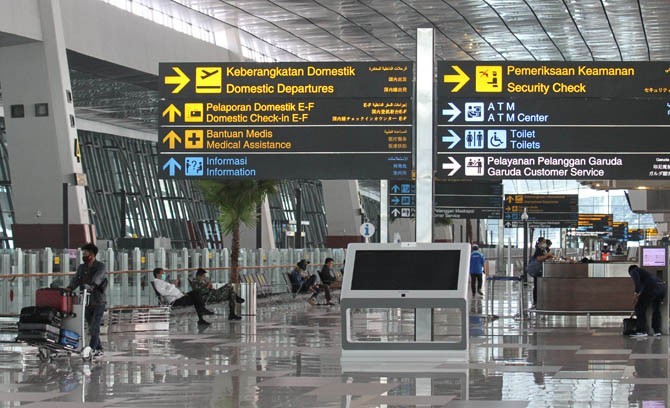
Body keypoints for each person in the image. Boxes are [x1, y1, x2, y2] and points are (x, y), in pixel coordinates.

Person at [67, 243, 107, 357]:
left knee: (95, 326)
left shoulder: (100, 266)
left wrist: (91, 286)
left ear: (92, 254)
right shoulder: (82, 267)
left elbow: (98, 278)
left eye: (85, 253)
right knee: (91, 326)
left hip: (98, 301)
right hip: (86, 301)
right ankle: (99, 348)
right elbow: (77, 279)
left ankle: (92, 349)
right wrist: (69, 288)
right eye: (83, 253)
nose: (83, 256)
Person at [628, 264, 666, 337]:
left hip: (651, 288)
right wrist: (639, 295)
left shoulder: (634, 271)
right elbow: (643, 287)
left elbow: (637, 283)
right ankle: (657, 331)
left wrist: (635, 294)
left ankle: (641, 331)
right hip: (661, 289)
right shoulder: (647, 274)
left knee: (639, 308)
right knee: (656, 309)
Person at [530, 237, 553, 308]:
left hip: (541, 269)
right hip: (537, 270)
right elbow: (538, 258)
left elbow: (544, 257)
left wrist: (548, 256)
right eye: (544, 242)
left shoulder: (543, 249)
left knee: (540, 285)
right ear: (540, 243)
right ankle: (535, 302)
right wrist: (547, 255)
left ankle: (540, 300)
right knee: (537, 286)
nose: (545, 243)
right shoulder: (538, 250)